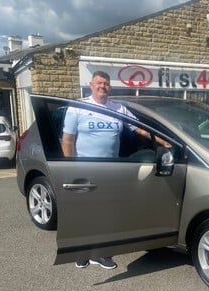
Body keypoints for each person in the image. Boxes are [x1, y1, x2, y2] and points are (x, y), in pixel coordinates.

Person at [61, 70, 166, 269]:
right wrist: (71, 168)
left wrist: (164, 142)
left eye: (106, 83)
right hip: (85, 169)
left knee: (105, 212)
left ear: (110, 86)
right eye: (99, 83)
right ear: (91, 85)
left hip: (111, 170)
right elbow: (67, 141)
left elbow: (140, 129)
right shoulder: (78, 107)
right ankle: (81, 251)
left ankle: (100, 253)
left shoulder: (118, 108)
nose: (103, 86)